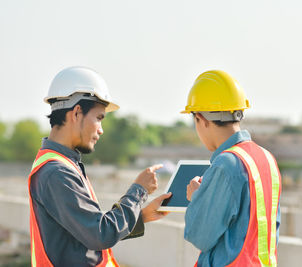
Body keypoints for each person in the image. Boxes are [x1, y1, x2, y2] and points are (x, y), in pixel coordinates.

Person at [28, 66, 171, 267]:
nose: (101, 130)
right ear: (77, 113)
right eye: (99, 118)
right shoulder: (56, 172)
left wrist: (141, 216)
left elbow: (81, 236)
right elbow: (100, 234)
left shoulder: (62, 164)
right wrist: (138, 191)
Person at [182, 70, 282, 267]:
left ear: (201, 119)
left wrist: (197, 198)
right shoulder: (266, 157)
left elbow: (200, 235)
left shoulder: (226, 164)